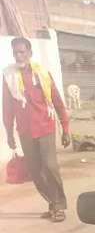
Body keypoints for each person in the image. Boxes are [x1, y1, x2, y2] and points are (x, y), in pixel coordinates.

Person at [2, 36, 71, 222]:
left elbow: (57, 101)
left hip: (45, 126)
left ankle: (59, 205)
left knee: (49, 166)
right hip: (25, 131)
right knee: (35, 171)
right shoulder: (8, 76)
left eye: (22, 51)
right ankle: (52, 202)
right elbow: (7, 107)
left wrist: (65, 127)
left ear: (30, 53)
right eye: (15, 52)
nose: (18, 55)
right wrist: (9, 133)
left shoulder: (42, 73)